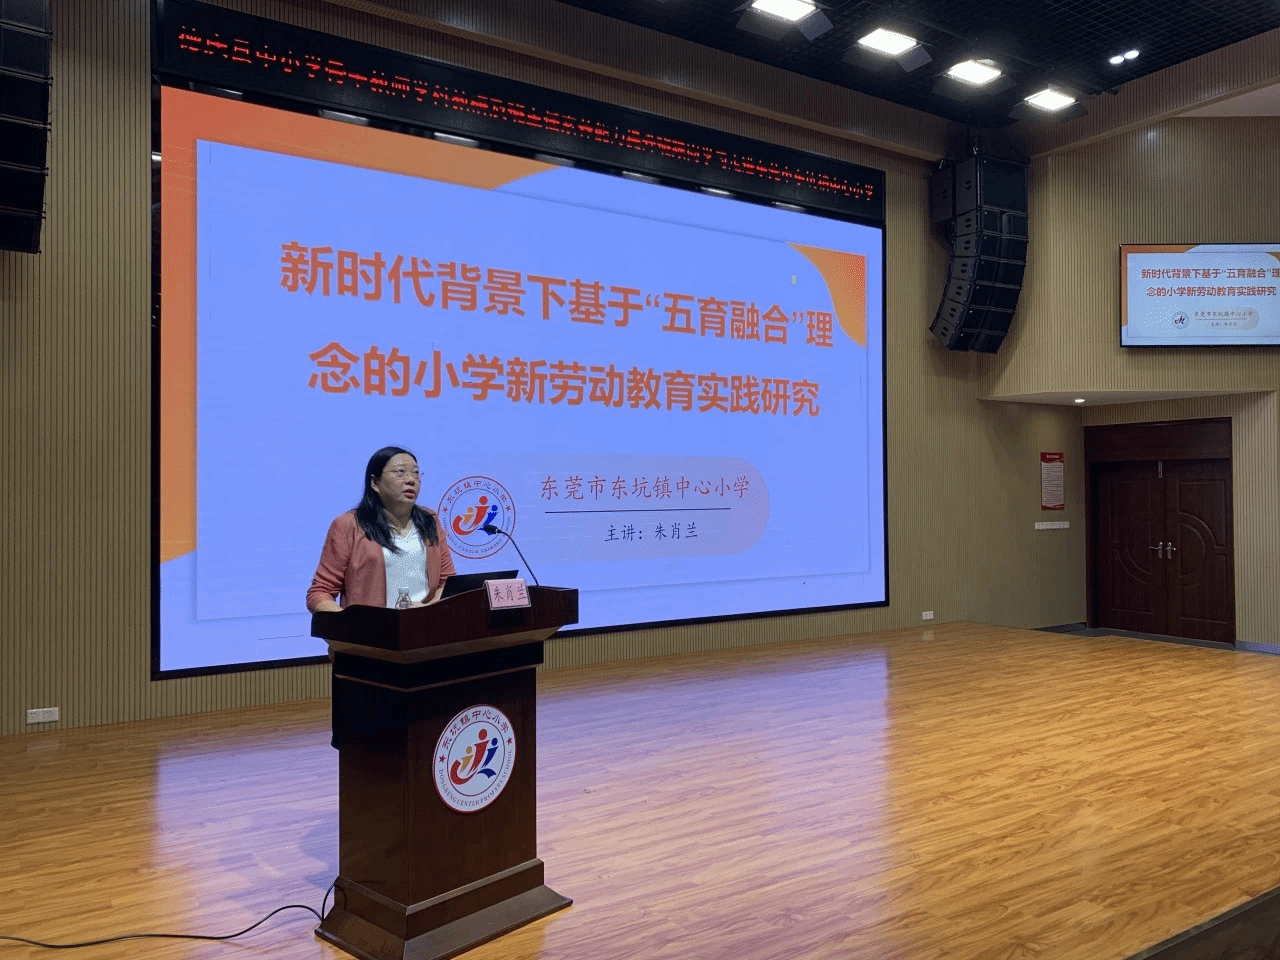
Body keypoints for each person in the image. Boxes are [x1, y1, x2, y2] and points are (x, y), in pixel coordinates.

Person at [307, 446, 456, 613]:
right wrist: (348, 623)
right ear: (375, 482)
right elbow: (320, 592)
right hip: (370, 627)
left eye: (415, 473)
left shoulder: (430, 520)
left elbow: (447, 583)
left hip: (426, 624)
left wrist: (427, 609)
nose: (411, 480)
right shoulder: (348, 525)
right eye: (400, 472)